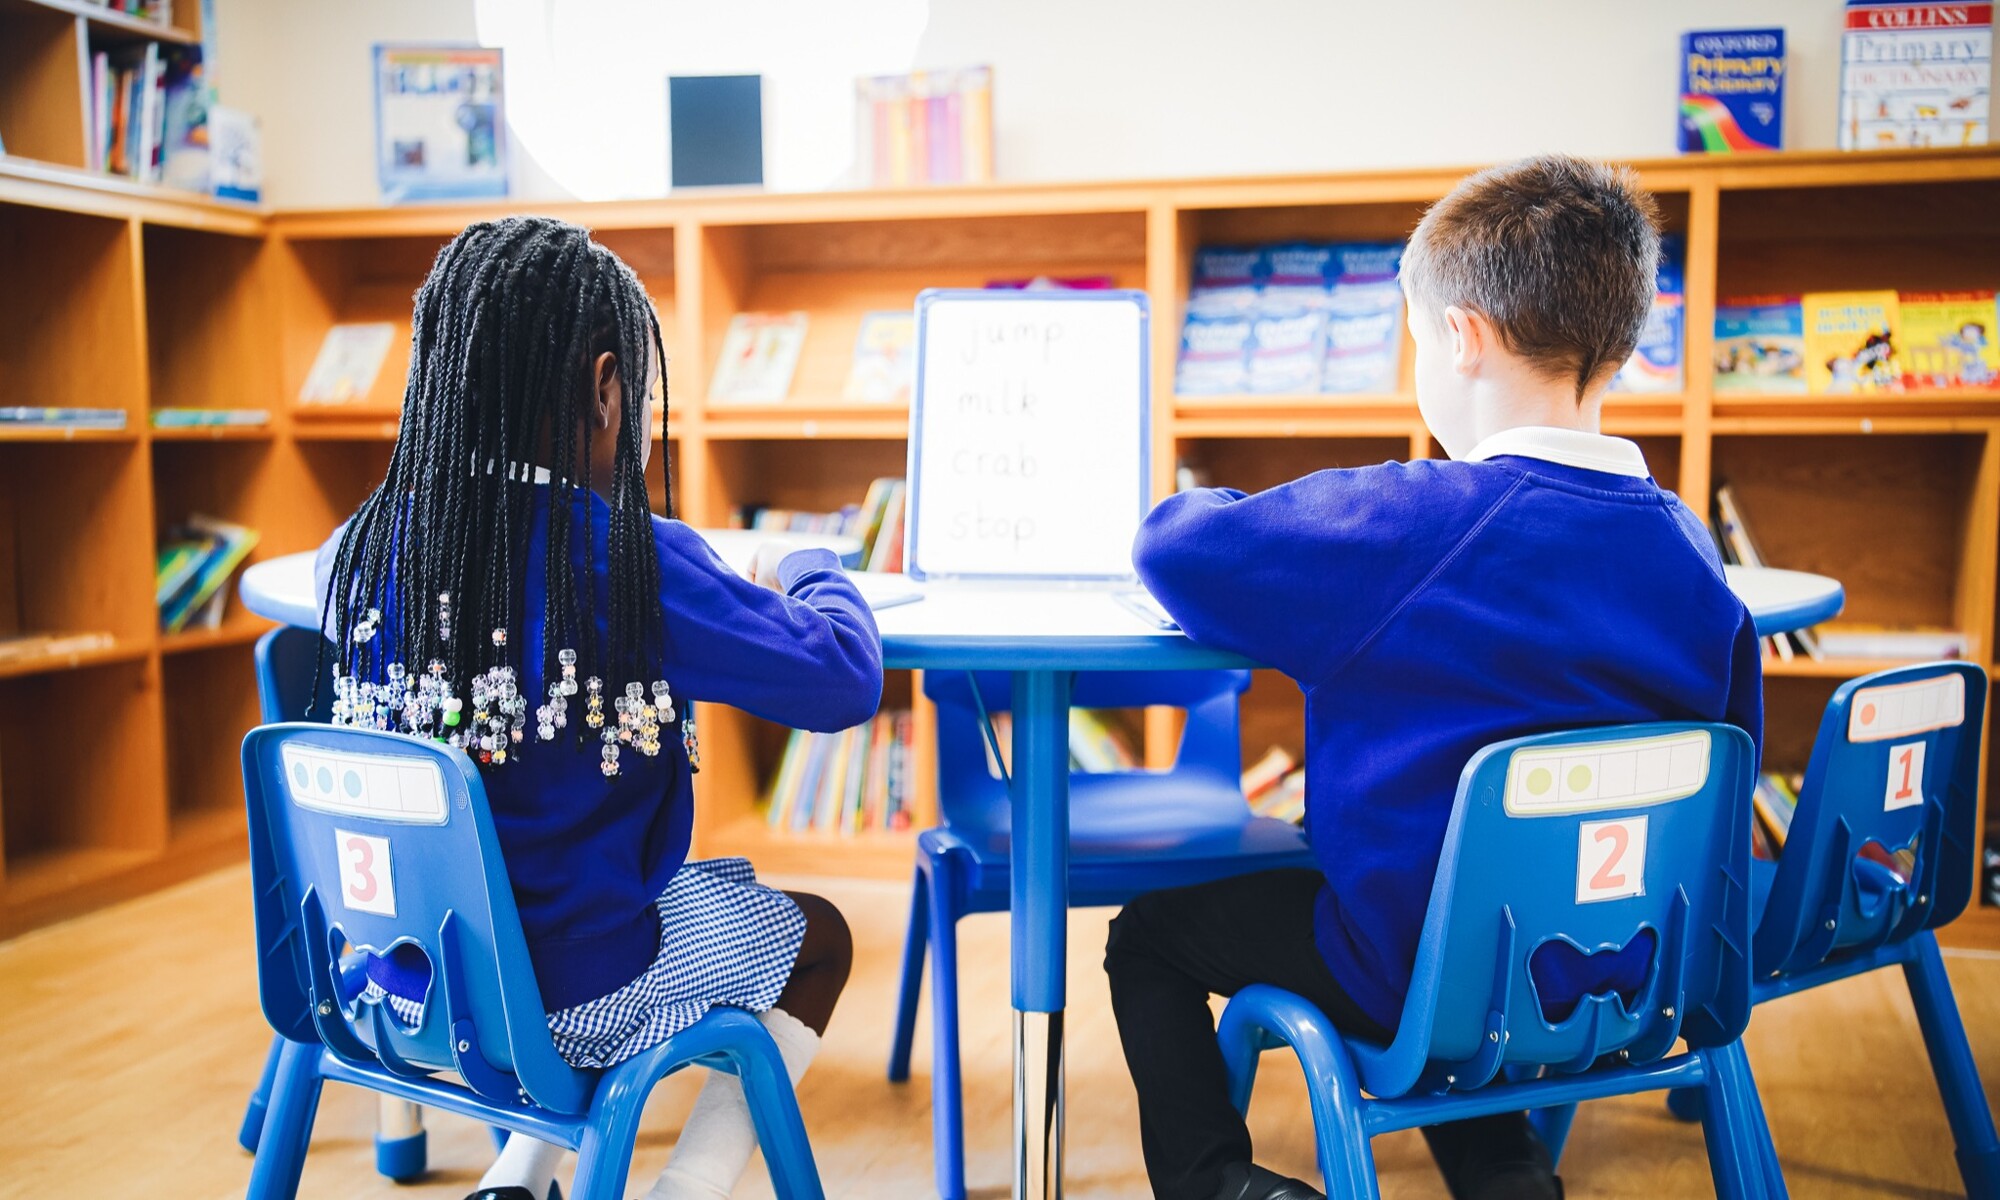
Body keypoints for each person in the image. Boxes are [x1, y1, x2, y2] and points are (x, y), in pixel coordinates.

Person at [1106, 155, 1763, 1200]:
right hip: (1631, 963)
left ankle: (1219, 1185)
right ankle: (1510, 1180)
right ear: (1621, 343)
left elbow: (1174, 547)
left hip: (1409, 968)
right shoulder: (1689, 551)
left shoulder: (1413, 520)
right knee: (1482, 927)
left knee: (1147, 938)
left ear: (1460, 336)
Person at [313, 216, 883, 1200]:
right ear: (607, 387)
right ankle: (685, 1188)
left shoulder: (360, 547)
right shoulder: (626, 560)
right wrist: (809, 563)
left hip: (395, 976)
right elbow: (842, 675)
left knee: (593, 900)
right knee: (817, 935)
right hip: (577, 988)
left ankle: (517, 1174)